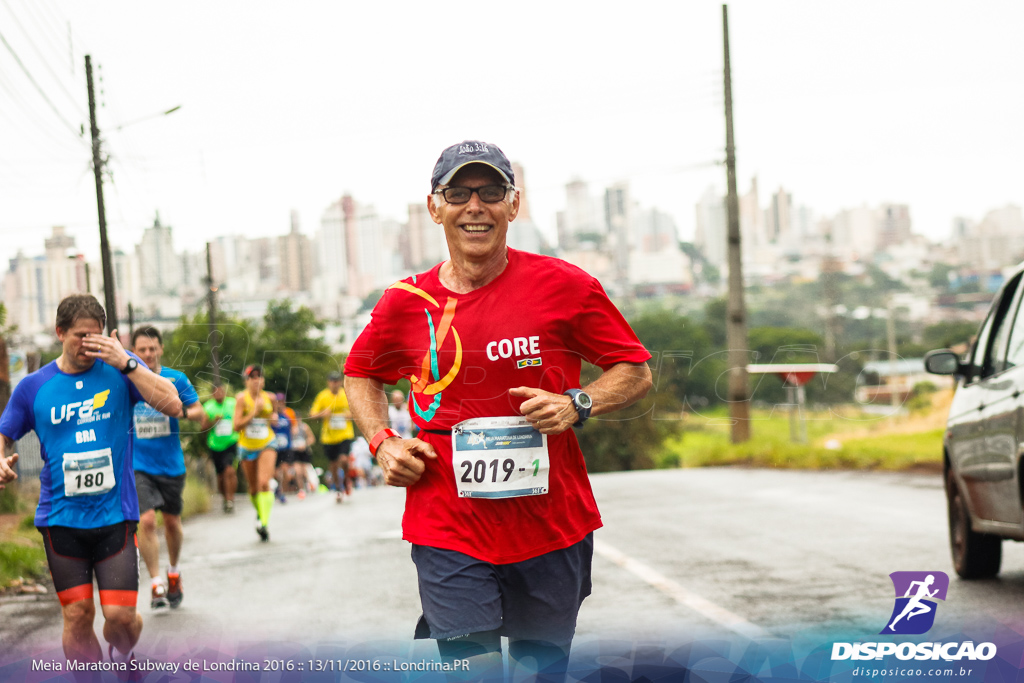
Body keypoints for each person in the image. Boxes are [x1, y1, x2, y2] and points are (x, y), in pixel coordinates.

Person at [344, 141, 652, 682]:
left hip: (550, 528)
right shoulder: (406, 301)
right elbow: (360, 372)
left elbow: (633, 369)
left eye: (491, 192)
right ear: (434, 207)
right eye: (458, 193)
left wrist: (577, 402)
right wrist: (382, 442)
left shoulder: (567, 286)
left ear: (514, 205)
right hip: (448, 526)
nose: (475, 206)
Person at [0, 294, 181, 665]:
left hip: (114, 516)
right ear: (59, 332)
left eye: (95, 337)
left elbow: (173, 404)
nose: (87, 345)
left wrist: (128, 362)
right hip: (60, 518)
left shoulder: (120, 374)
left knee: (120, 620)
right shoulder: (34, 387)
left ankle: (124, 649)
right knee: (78, 616)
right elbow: (4, 433)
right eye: (79, 336)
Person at [130, 326, 204, 612]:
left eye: (152, 349)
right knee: (146, 521)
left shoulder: (175, 379)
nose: (147, 354)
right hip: (139, 465)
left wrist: (179, 411)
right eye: (142, 350)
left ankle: (174, 572)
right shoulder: (128, 381)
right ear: (134, 353)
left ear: (160, 349)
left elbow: (200, 411)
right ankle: (155, 582)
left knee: (172, 523)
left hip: (171, 465)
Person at [233, 365, 277, 542]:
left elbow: (273, 417)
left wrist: (272, 418)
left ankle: (264, 523)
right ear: (246, 381)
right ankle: (260, 514)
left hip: (267, 442)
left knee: (264, 483)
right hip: (247, 447)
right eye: (253, 377)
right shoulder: (241, 399)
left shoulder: (270, 398)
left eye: (260, 377)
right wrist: (254, 412)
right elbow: (236, 426)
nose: (257, 380)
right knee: (253, 489)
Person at [310, 371, 354, 503]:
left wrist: (349, 415)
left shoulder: (346, 394)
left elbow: (357, 411)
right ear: (328, 382)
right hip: (329, 437)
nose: (335, 384)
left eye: (337, 381)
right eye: (332, 381)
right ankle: (338, 488)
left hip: (345, 434)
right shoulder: (322, 396)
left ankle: (346, 479)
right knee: (333, 465)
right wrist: (323, 413)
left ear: (340, 382)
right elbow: (312, 414)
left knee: (344, 460)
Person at [200, 383, 239, 513]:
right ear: (212, 394)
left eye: (221, 392)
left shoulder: (233, 403)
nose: (219, 394)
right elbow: (203, 427)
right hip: (215, 445)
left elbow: (240, 418)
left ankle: (230, 499)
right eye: (216, 393)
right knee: (221, 475)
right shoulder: (208, 407)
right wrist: (214, 422)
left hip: (231, 441)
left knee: (230, 471)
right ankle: (225, 498)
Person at [271, 393, 297, 502]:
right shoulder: (272, 415)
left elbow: (294, 428)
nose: (280, 404)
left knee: (286, 470)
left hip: (286, 446)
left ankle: (282, 492)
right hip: (275, 447)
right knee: (275, 472)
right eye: (278, 402)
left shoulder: (289, 413)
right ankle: (278, 489)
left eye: (282, 402)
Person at [290, 415, 317, 498]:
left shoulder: (305, 427)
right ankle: (301, 489)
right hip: (295, 452)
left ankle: (310, 486)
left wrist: (305, 444)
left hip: (304, 451)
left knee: (306, 471)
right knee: (298, 471)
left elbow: (312, 438)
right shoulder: (291, 428)